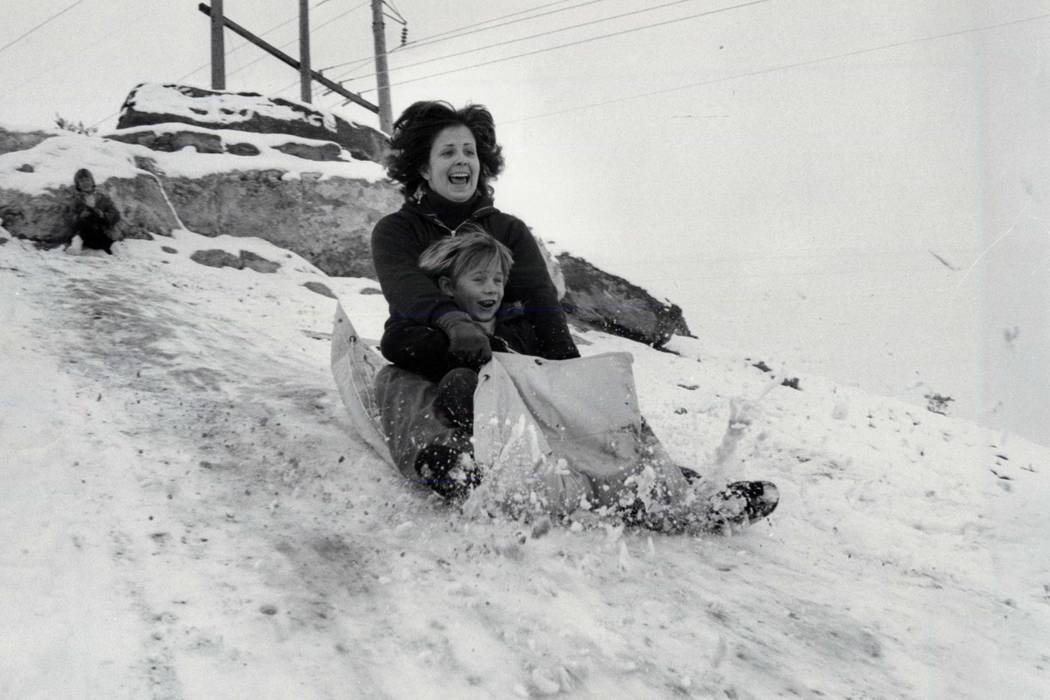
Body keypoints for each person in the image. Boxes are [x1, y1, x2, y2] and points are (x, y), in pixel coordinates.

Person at [68, 168, 121, 254]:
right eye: (82, 181)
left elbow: (115, 214)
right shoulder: (76, 200)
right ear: (78, 185)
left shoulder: (103, 198)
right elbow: (69, 217)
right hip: (85, 234)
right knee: (87, 217)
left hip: (102, 232)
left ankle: (113, 246)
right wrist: (80, 216)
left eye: (87, 180)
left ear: (92, 182)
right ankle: (76, 244)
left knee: (95, 215)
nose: (85, 183)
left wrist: (103, 215)